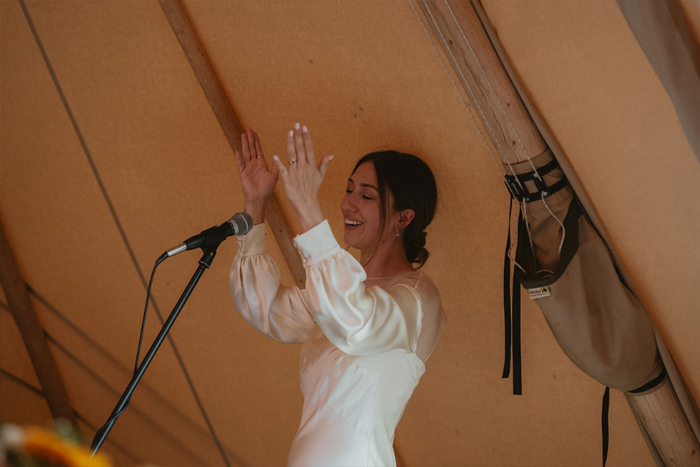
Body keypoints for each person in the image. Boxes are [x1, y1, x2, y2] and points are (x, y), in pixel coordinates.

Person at [230, 125, 446, 466]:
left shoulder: (418, 299)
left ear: (404, 218)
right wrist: (255, 203)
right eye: (349, 190)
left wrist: (307, 209)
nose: (347, 204)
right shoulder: (339, 293)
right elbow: (267, 308)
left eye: (366, 195)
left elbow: (354, 323)